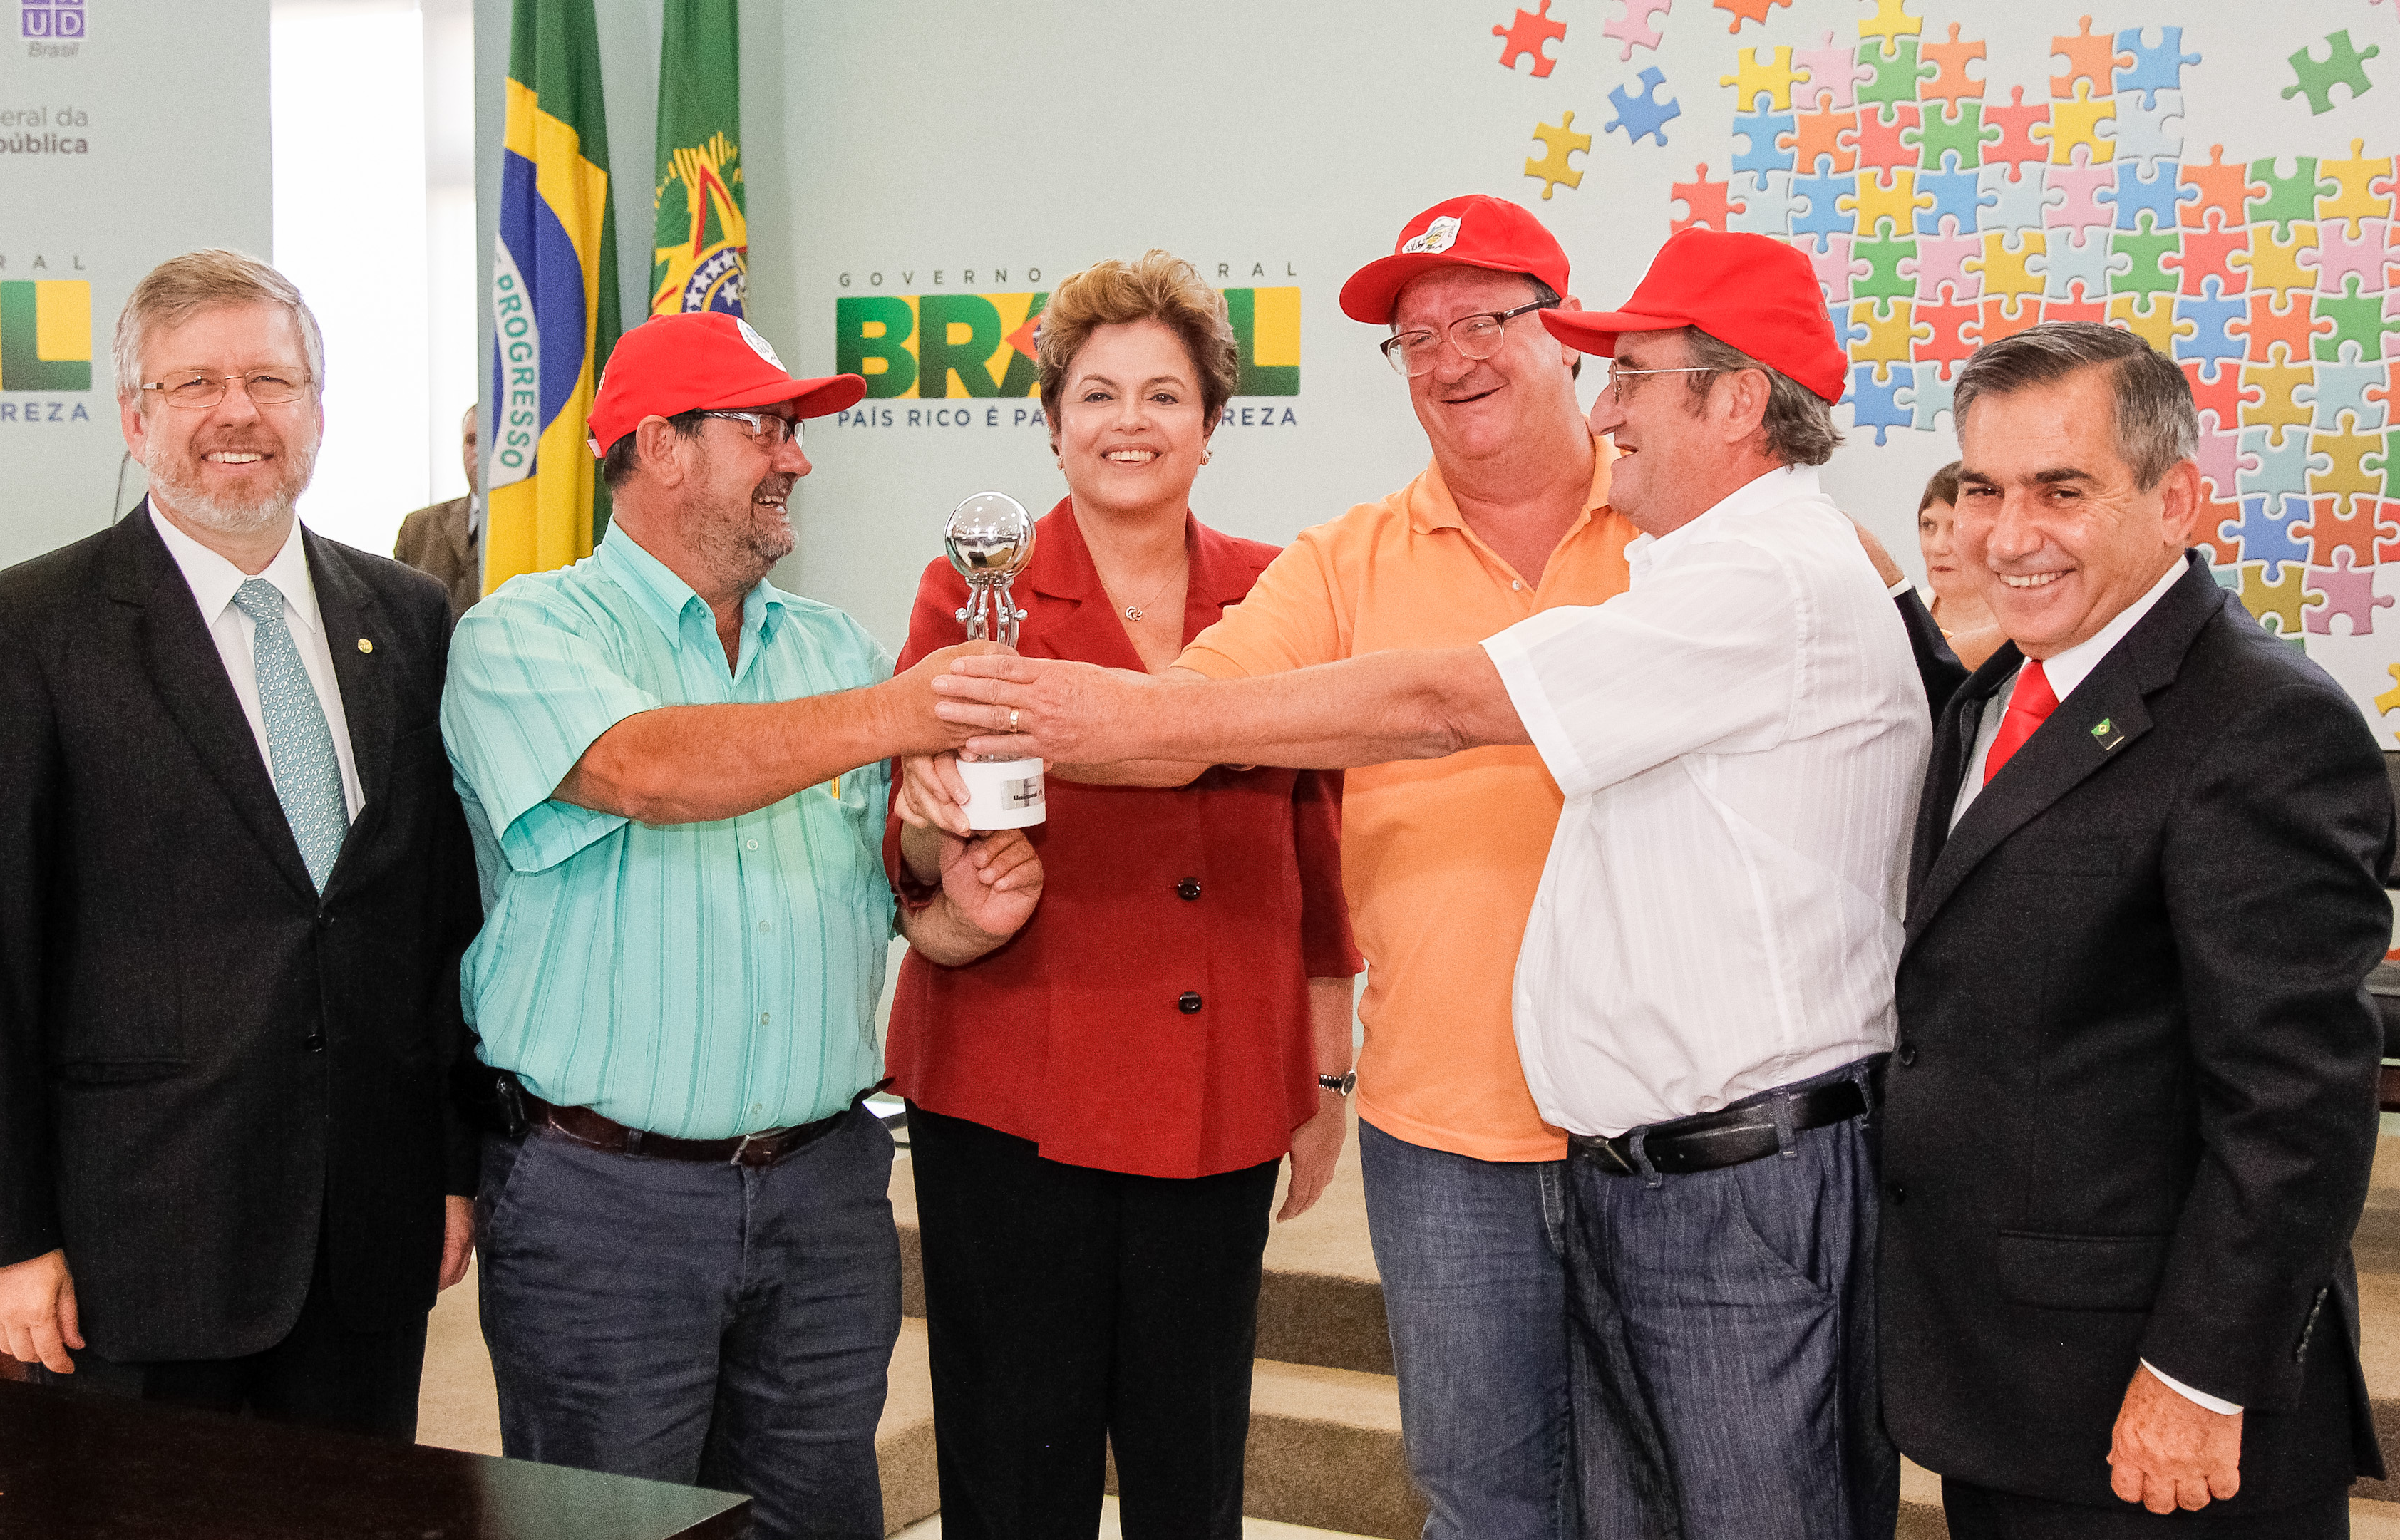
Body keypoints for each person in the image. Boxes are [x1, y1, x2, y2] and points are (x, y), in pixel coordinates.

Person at [929, 227, 1929, 1540]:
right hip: (1482, 1133)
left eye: (1501, 328)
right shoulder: (1364, 554)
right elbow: (1202, 715)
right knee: (1512, 1502)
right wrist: (1030, 734)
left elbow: (1441, 699)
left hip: (1720, 1156)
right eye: (1414, 337)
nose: (1450, 360)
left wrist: (1065, 712)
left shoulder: (1713, 558)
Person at [438, 310, 1039, 1538]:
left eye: (796, 429)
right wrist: (893, 713)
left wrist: (955, 903)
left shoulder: (833, 649)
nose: (797, 458)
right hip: (602, 1206)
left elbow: (895, 894)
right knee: (607, 1523)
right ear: (658, 446)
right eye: (765, 427)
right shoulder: (522, 633)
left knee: (817, 1519)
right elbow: (650, 770)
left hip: (824, 1195)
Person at [0, 248, 481, 1438]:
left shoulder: (411, 619)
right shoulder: (23, 630)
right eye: (193, 384)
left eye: (272, 380)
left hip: (365, 1235)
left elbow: (433, 921)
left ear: (316, 410)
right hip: (131, 1252)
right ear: (134, 417)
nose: (238, 412)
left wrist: (448, 1166)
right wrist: (5, 1236)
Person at [1878, 322, 2392, 1538]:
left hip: (2155, 1413)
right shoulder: (2000, 691)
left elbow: (2298, 1102)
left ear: (2177, 500)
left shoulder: (2263, 723)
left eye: (2063, 489)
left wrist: (2199, 1375)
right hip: (2004, 1376)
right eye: (1983, 490)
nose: (2010, 534)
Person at [884, 251, 1363, 1539]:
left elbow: (1320, 854)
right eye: (1097, 395)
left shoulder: (1280, 588)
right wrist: (944, 855)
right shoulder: (969, 590)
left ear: (1211, 426)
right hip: (1010, 1086)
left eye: (1164, 395)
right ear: (1051, 426)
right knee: (1013, 1459)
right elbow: (909, 838)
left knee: (1188, 1459)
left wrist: (1324, 1081)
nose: (1130, 423)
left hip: (1216, 1093)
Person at [394, 403, 483, 617]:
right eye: (471, 441)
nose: (478, 451)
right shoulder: (418, 529)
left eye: (487, 439)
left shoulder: (535, 529)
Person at [1915, 460, 2003, 668]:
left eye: (1956, 528)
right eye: (1928, 525)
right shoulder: (1897, 622)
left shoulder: (2034, 635)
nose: (1937, 547)